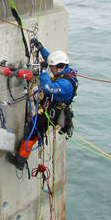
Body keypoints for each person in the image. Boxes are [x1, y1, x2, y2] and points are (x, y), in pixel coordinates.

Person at [6, 41, 78, 170]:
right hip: (51, 108)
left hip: (52, 113)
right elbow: (50, 58)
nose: (51, 70)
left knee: (32, 132)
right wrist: (40, 48)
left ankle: (20, 161)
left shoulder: (65, 84)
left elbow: (48, 87)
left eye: (52, 68)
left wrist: (43, 71)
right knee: (33, 130)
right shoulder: (67, 71)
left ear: (59, 68)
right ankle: (24, 152)